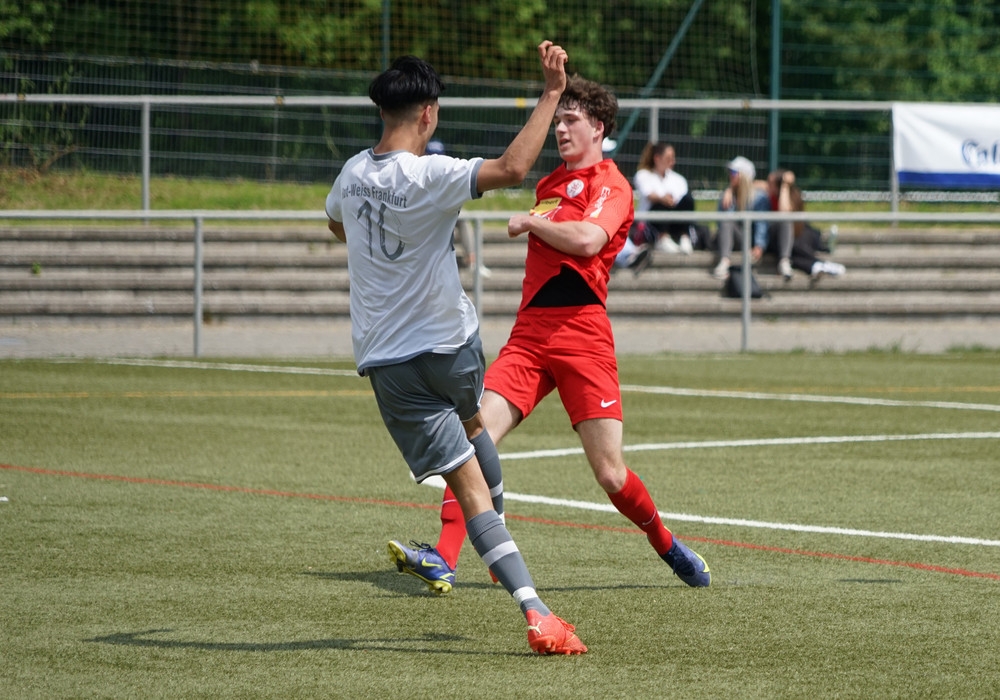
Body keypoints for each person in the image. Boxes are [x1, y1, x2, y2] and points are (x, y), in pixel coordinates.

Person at [387, 74, 712, 598]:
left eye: (571, 119)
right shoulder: (548, 186)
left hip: (584, 333)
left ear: (598, 128)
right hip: (531, 334)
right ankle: (443, 559)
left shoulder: (613, 184)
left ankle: (665, 541)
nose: (560, 128)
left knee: (609, 473)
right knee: (471, 438)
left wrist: (532, 225)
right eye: (557, 119)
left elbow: (588, 240)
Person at [325, 41, 586, 656]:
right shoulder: (433, 175)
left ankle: (530, 604)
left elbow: (337, 224)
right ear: (429, 114)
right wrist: (551, 92)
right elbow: (514, 170)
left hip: (388, 363)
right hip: (452, 347)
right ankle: (524, 593)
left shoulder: (352, 174)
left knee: (467, 487)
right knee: (474, 427)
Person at [425, 139, 491, 278]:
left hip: (445, 214)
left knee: (465, 220)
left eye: (438, 154)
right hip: (425, 217)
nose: (435, 158)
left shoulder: (446, 171)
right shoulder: (419, 171)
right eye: (431, 154)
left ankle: (473, 261)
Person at [765, 169, 846, 281]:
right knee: (793, 247)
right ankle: (818, 264)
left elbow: (786, 213)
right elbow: (783, 213)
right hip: (777, 241)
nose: (767, 185)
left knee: (796, 247)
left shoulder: (792, 195)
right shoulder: (766, 196)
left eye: (770, 183)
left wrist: (784, 186)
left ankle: (815, 266)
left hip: (795, 237)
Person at [712, 155, 771, 281]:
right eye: (730, 172)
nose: (730, 175)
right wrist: (728, 193)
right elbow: (721, 223)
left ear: (743, 176)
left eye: (733, 172)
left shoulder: (759, 197)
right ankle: (725, 260)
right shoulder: (728, 195)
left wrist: (759, 245)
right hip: (738, 237)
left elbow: (762, 222)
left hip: (751, 240)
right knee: (727, 219)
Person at [633, 142, 697, 254]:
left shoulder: (678, 179)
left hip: (672, 221)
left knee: (688, 200)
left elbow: (681, 199)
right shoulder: (643, 175)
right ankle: (662, 238)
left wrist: (670, 200)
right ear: (657, 158)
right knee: (660, 204)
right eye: (668, 158)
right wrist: (663, 199)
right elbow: (649, 195)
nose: (672, 161)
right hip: (651, 223)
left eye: (673, 158)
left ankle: (685, 237)